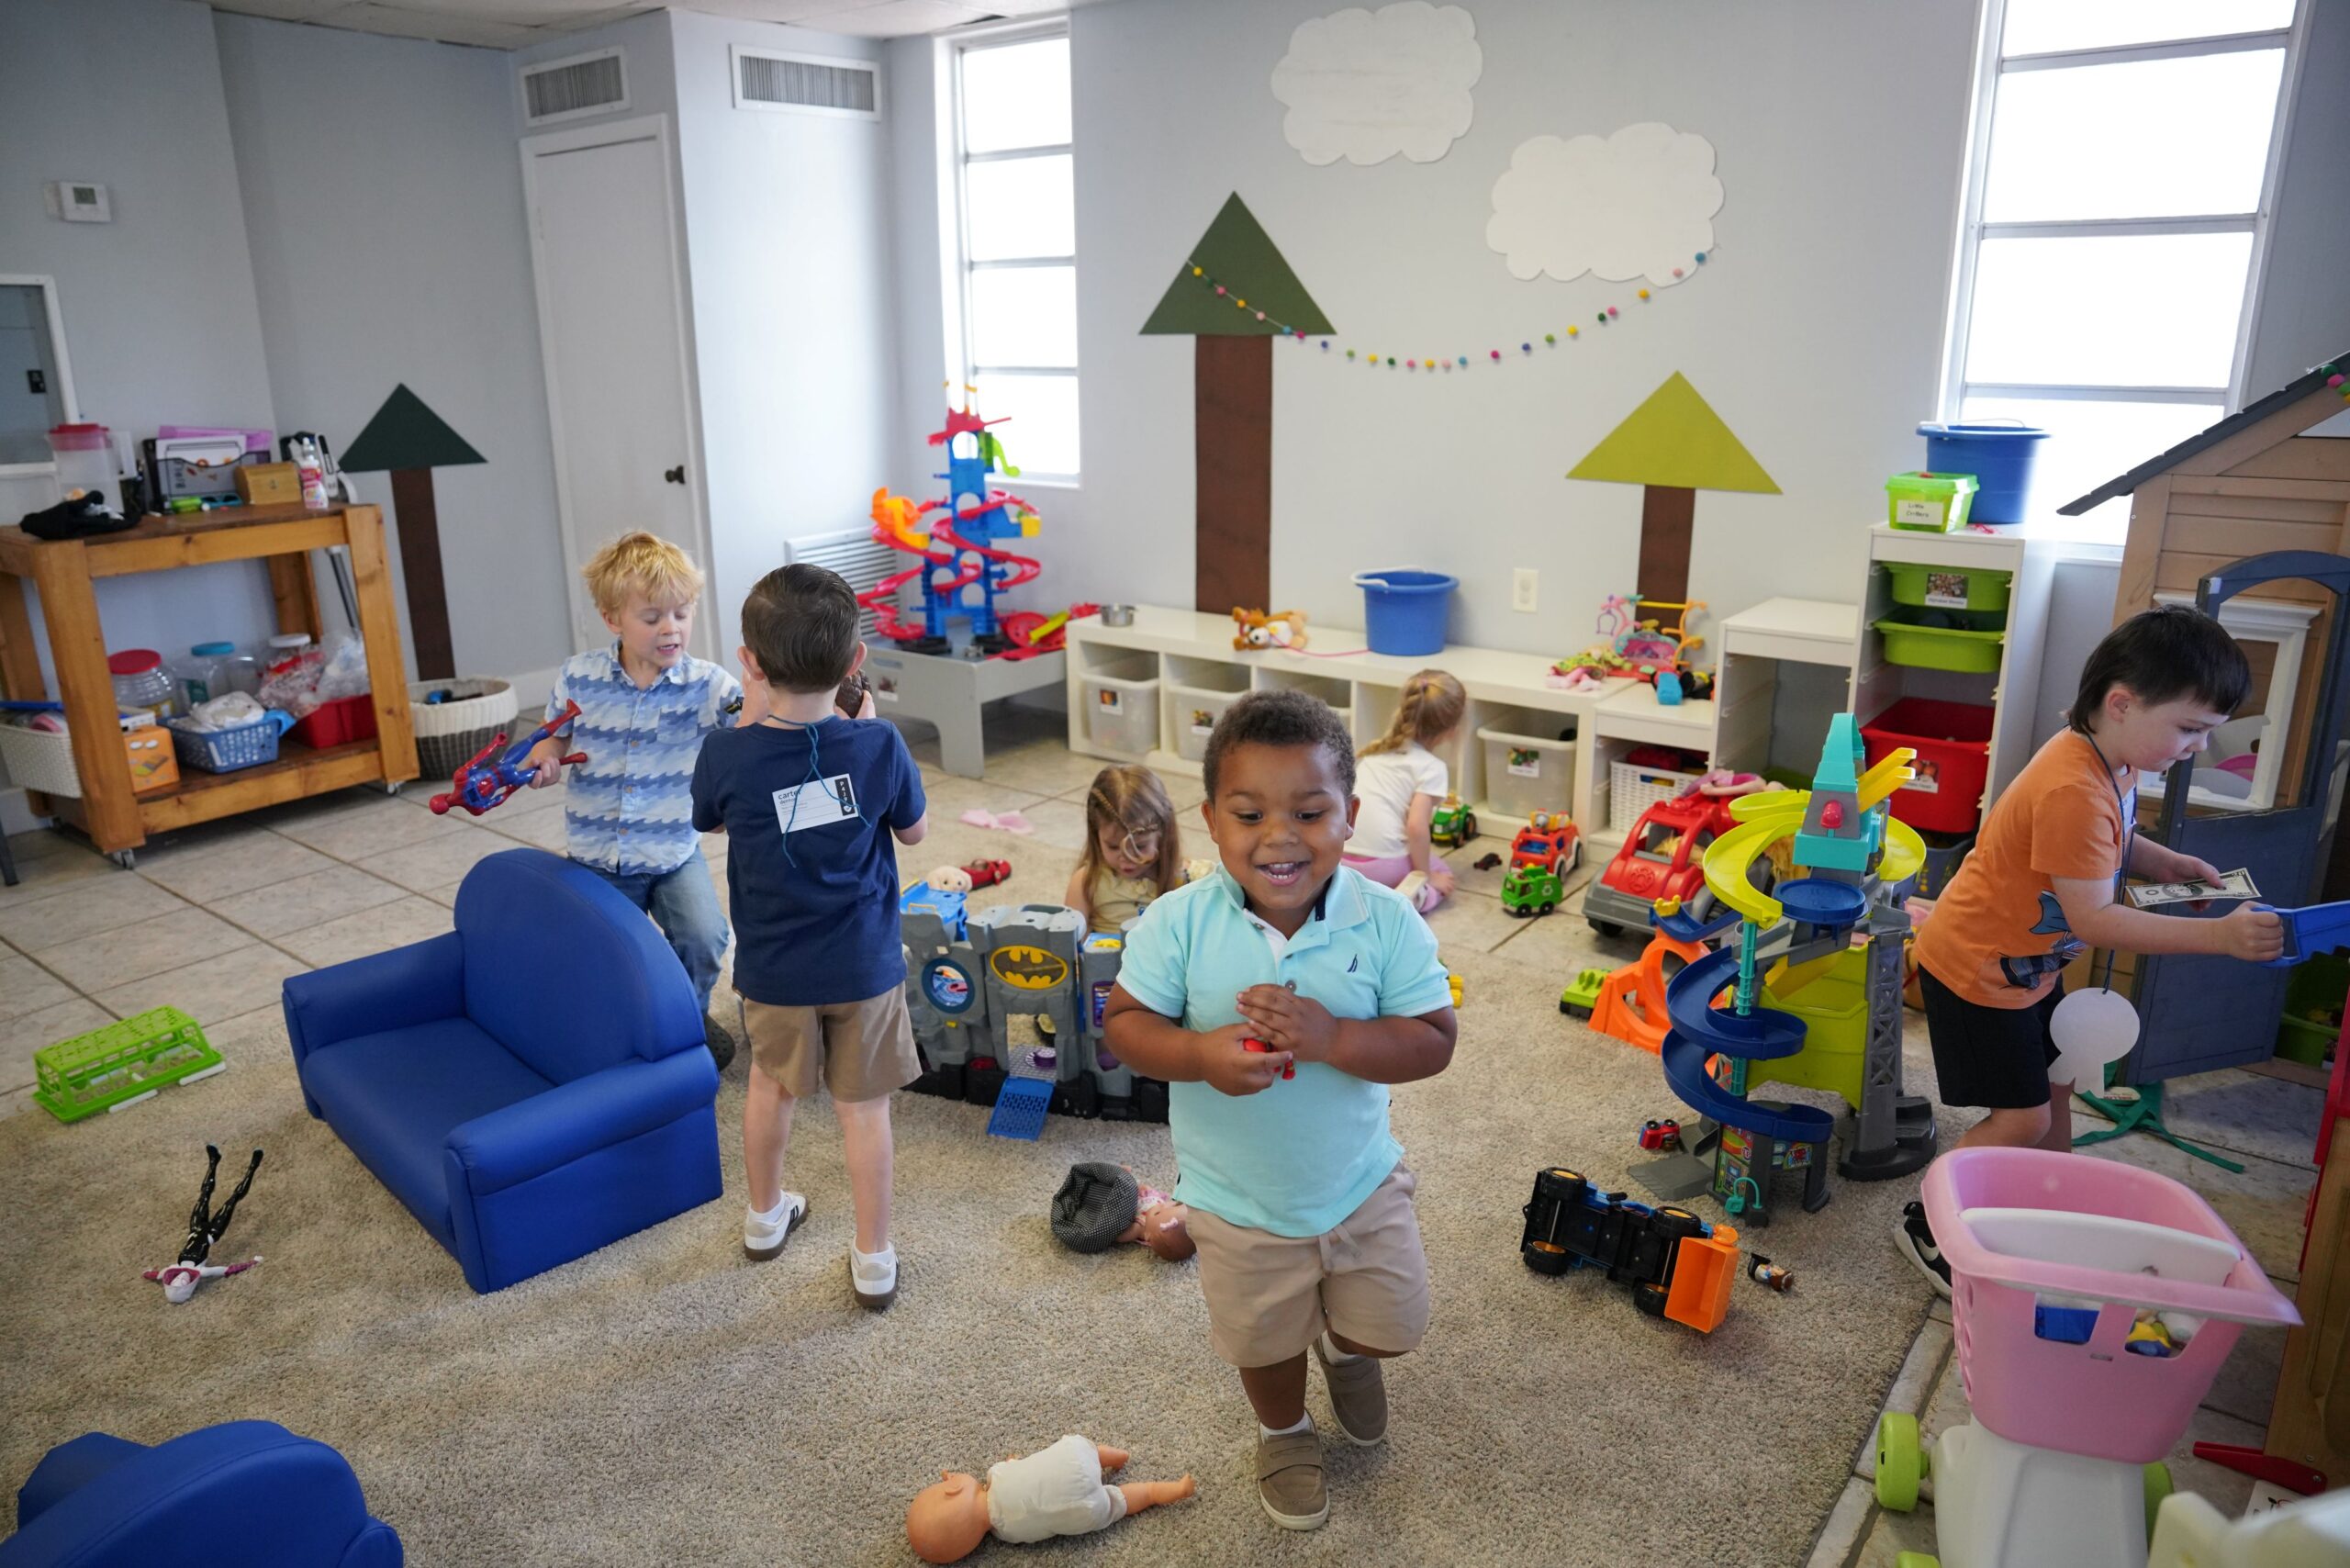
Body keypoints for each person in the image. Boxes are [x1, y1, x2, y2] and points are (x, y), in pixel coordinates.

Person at [1102, 689, 1458, 1533]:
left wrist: (1335, 1037)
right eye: (1249, 812)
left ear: (1350, 816)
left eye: (1308, 810)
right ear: (1212, 823)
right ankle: (1284, 1430)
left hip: (1359, 1183)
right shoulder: (1175, 923)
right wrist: (1199, 1056)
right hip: (1236, 1197)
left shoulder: (1386, 920)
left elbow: (1435, 1039)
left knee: (1395, 1327)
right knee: (1263, 1346)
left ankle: (1343, 1350)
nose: (1279, 835)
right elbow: (1124, 1025)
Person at [1896, 606, 2284, 1295]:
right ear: (2122, 703)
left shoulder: (2110, 758)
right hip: (1976, 971)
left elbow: (2110, 844)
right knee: (2022, 1116)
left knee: (2057, 1083)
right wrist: (2218, 938)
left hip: (2030, 966)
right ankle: (1928, 1224)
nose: (2196, 747)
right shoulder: (2074, 786)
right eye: (2190, 729)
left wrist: (2161, 863)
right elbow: (2098, 919)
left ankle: (2046, 1206)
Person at [689, 563, 929, 1309]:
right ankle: (874, 1258)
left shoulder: (725, 752)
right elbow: (915, 833)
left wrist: (751, 726)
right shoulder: (881, 744)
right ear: (858, 664)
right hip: (862, 966)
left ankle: (765, 1218)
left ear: (751, 664)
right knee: (866, 1111)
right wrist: (860, 743)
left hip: (775, 968)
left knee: (770, 1085)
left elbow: (716, 819)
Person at [522, 532, 741, 1066]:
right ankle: (616, 1028)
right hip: (597, 855)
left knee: (704, 937)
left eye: (682, 614)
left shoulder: (709, 685)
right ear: (612, 618)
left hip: (672, 850)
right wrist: (545, 757)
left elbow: (753, 731)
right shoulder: (578, 676)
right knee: (600, 954)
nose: (672, 628)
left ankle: (682, 1021)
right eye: (653, 617)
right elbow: (553, 737)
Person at [1346, 669, 1466, 913]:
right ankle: (1412, 899)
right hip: (1384, 866)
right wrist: (1427, 874)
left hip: (1341, 859)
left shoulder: (1376, 753)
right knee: (1441, 871)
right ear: (1452, 729)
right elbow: (1416, 828)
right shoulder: (1432, 768)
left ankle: (1356, 893)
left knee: (1419, 861)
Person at [1063, 765, 1187, 937]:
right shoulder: (1086, 882)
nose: (1127, 859)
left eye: (1141, 846)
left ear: (1163, 834)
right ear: (1095, 834)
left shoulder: (1184, 878)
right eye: (1113, 847)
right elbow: (1070, 945)